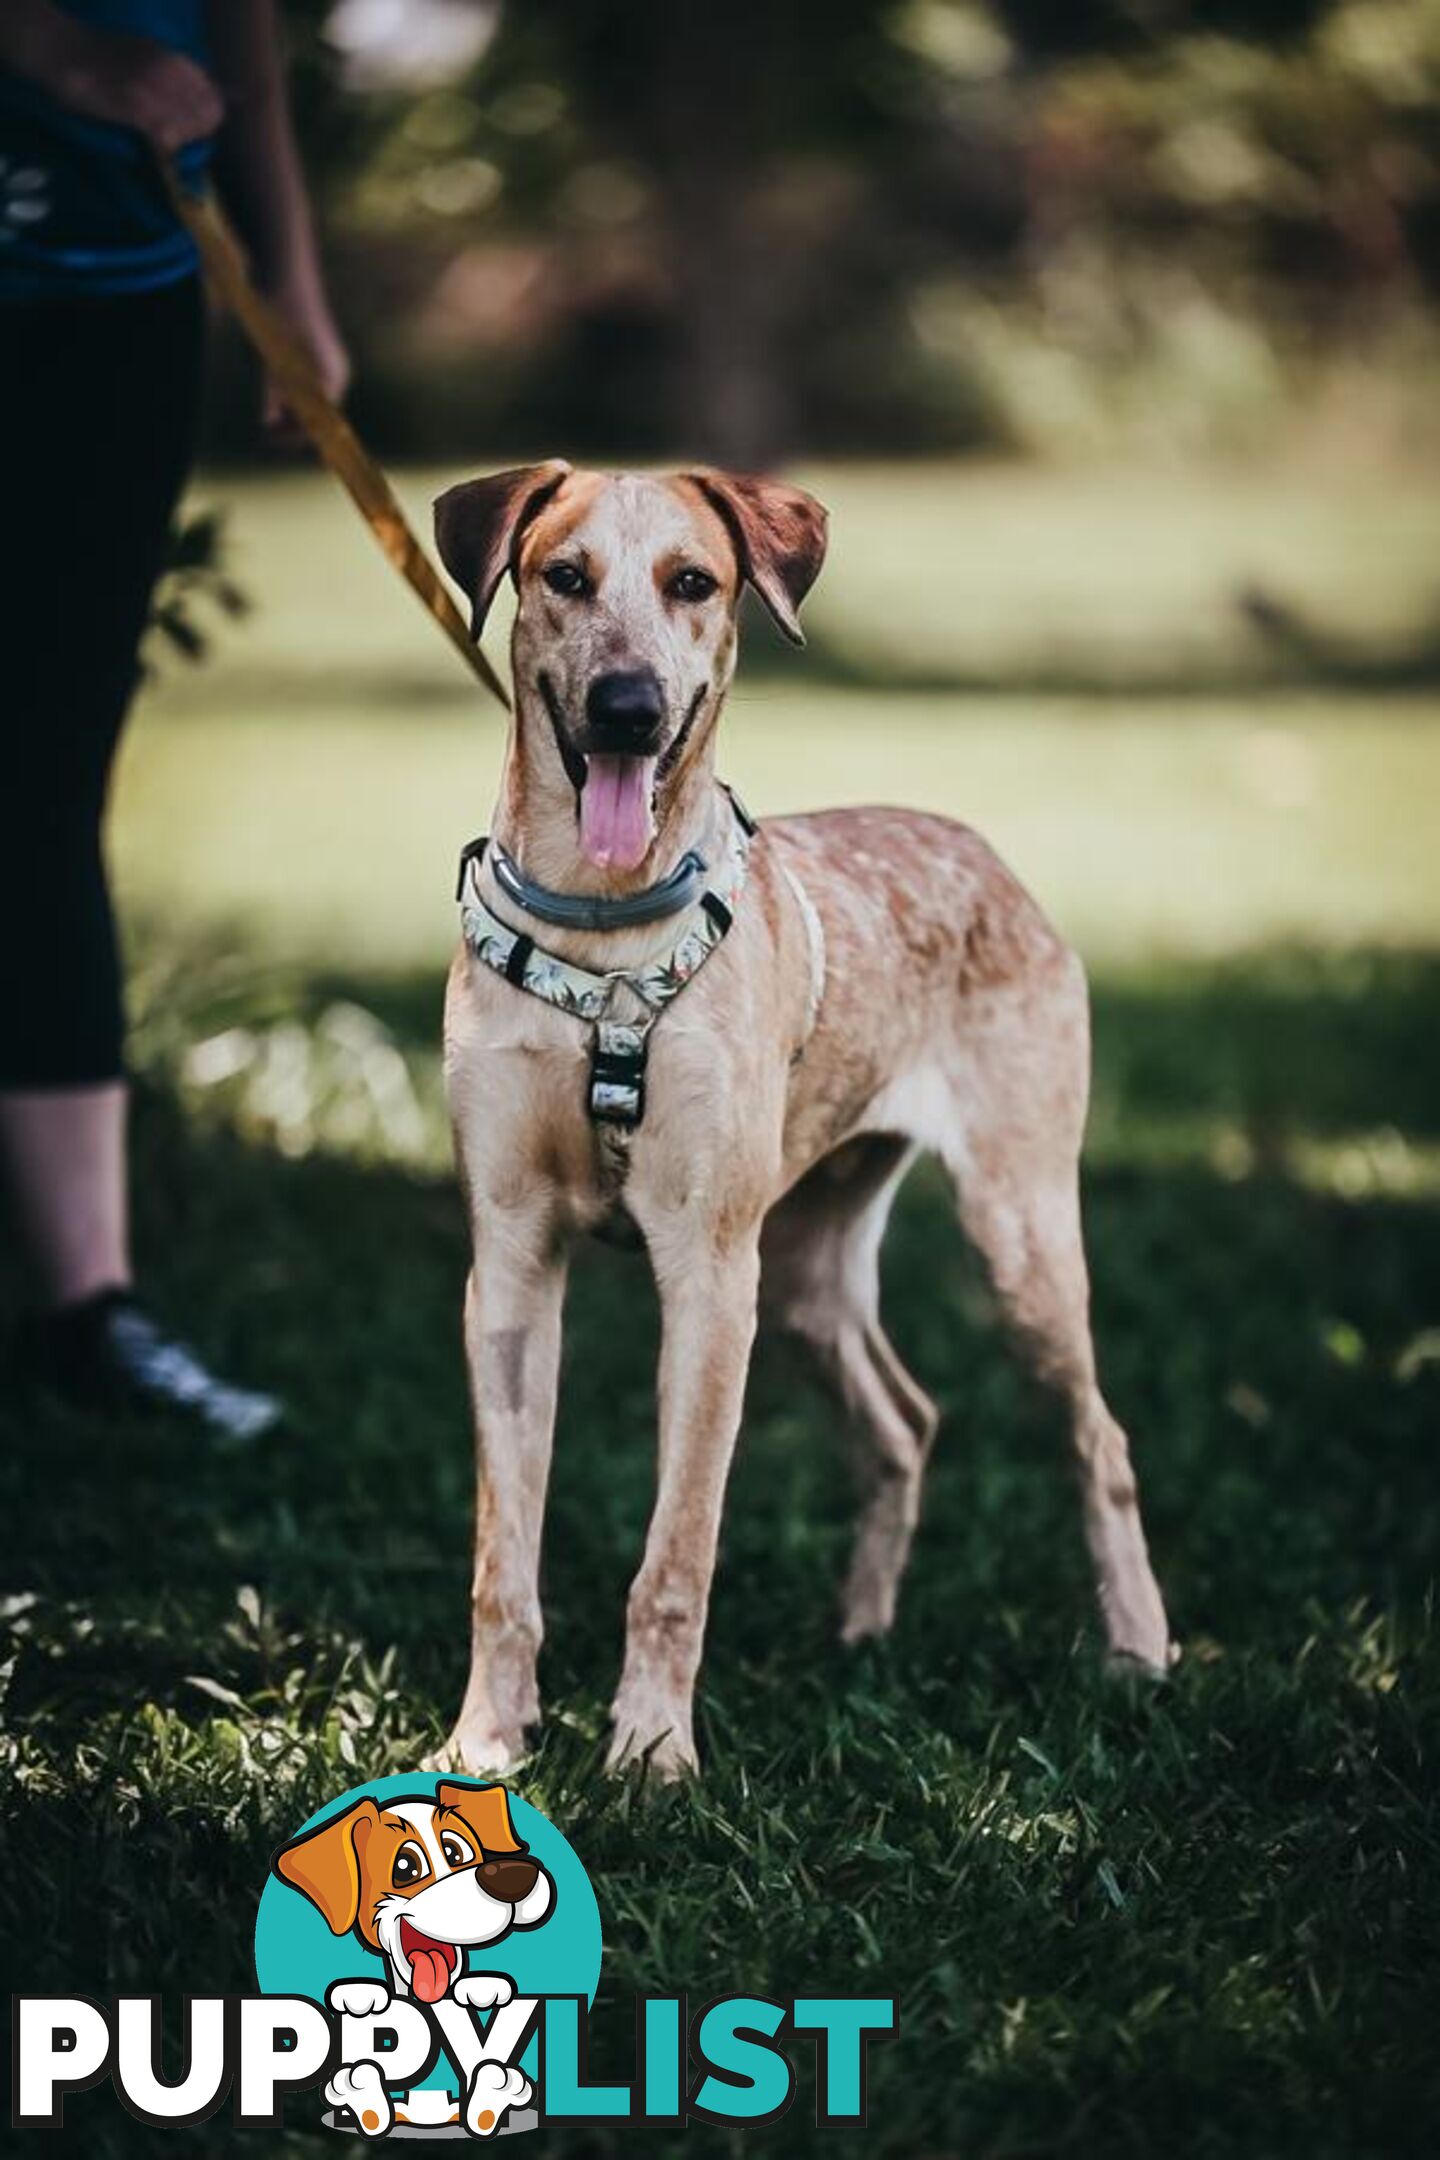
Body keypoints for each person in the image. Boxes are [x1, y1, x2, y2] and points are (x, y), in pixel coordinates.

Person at [0, 1, 348, 1436]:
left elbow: (242, 60)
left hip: (122, 312)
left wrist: (296, 297)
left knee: (40, 795)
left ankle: (94, 1312)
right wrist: (56, 51)